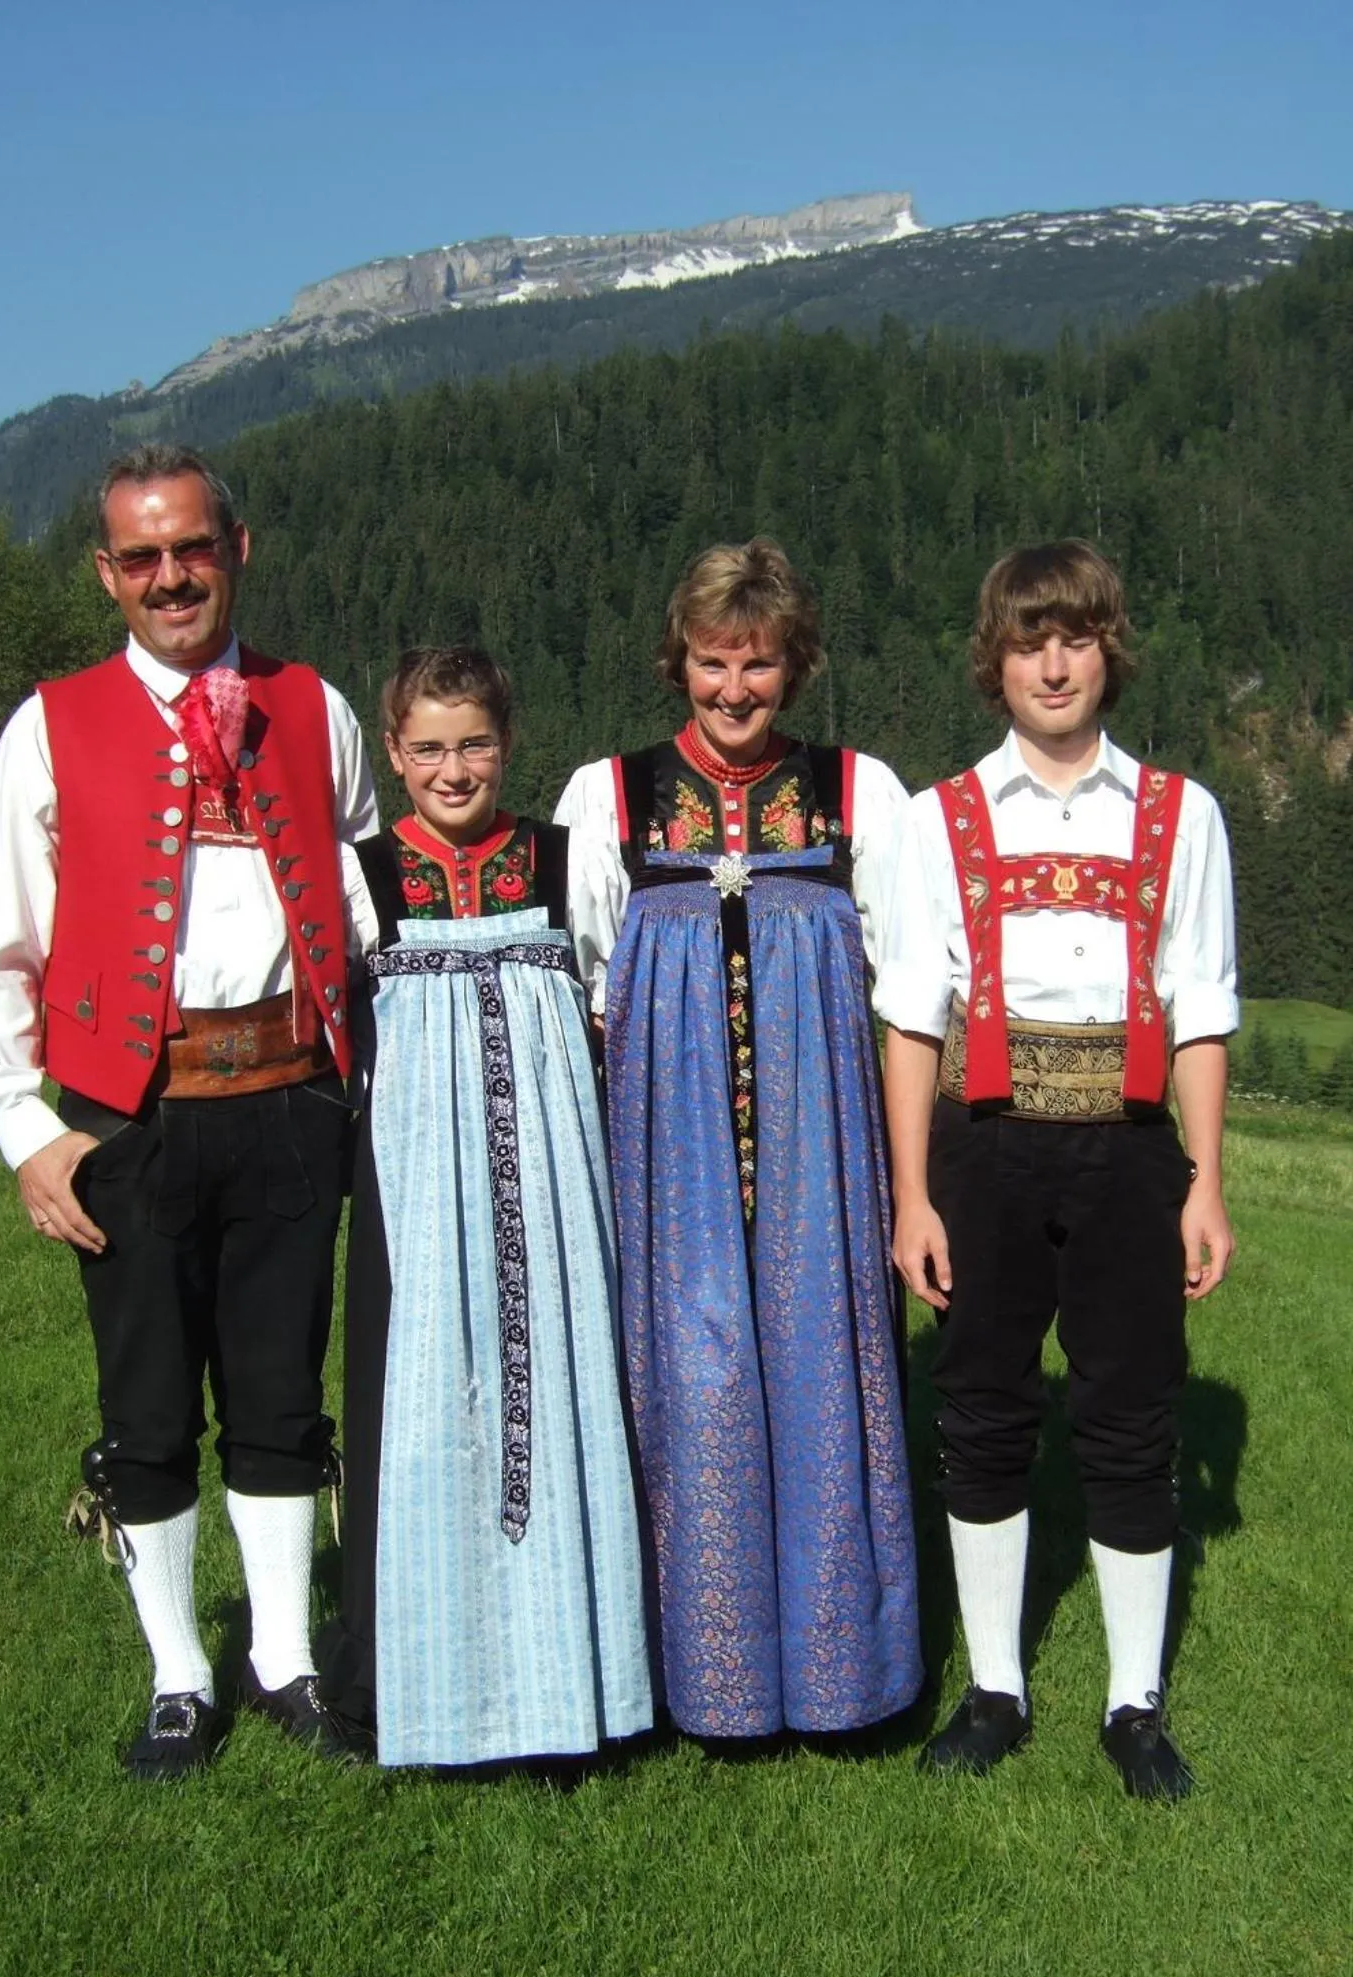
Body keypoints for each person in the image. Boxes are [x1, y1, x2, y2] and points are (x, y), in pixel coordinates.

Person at [0, 444, 378, 1780]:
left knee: (278, 1395)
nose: (171, 577)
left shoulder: (316, 708)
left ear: (237, 549)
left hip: (296, 1103)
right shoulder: (52, 725)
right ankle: (181, 1674)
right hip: (129, 1117)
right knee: (143, 1407)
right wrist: (30, 1130)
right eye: (142, 557)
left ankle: (288, 1662)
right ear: (107, 574)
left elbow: (367, 891)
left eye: (191, 548)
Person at [876, 538, 1237, 1800]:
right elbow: (915, 1015)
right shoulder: (940, 818)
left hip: (1134, 1148)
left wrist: (1205, 1178)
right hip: (988, 1145)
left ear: (1108, 649)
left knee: (1132, 1411)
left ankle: (1133, 1703)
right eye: (1029, 641)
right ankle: (995, 1688)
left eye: (1074, 636)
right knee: (980, 1404)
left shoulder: (1182, 813)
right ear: (997, 661)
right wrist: (915, 1192)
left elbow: (1199, 1004)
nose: (1053, 662)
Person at [555, 539, 923, 1741]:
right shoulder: (607, 798)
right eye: (713, 663)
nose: (732, 691)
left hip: (821, 1138)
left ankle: (839, 1677)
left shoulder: (860, 792)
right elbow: (581, 983)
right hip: (673, 1148)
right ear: (680, 661)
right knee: (694, 1375)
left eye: (757, 666)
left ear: (793, 666)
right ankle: (696, 1678)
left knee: (825, 1370)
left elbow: (917, 976)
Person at [319, 646, 652, 1766]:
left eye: (474, 744)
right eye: (427, 747)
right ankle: (420, 1682)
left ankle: (572, 1684)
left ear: (507, 744)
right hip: (417, 1190)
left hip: (555, 1193)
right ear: (393, 750)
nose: (452, 769)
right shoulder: (361, 874)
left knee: (560, 1402)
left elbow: (612, 1004)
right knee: (417, 1421)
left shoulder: (566, 862)